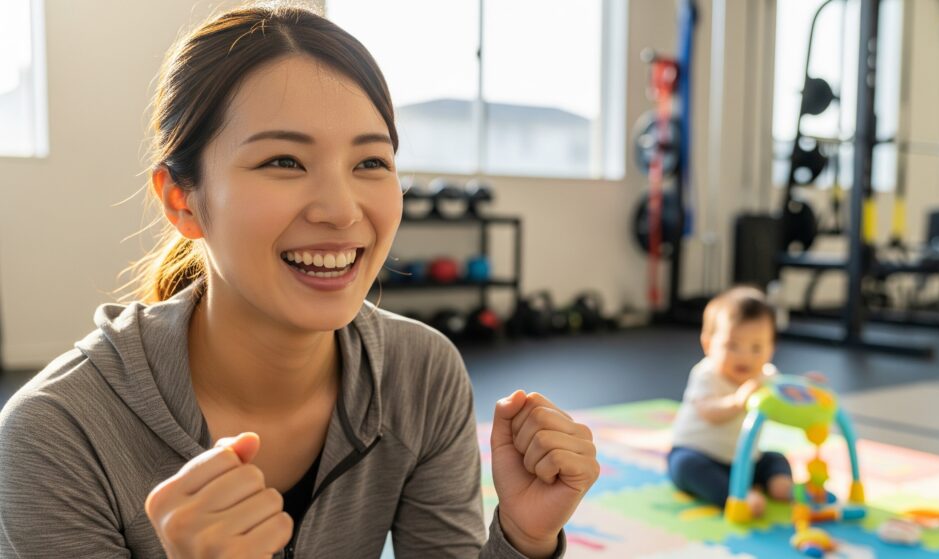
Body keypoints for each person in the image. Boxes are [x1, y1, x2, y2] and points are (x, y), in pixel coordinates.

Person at [0, 6, 599, 558]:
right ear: (181, 200)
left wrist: (525, 536)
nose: (341, 211)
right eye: (283, 161)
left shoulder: (420, 373)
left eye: (370, 162)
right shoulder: (56, 433)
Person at [666, 286, 793, 517]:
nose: (744, 356)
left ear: (771, 348)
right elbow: (708, 412)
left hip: (744, 461)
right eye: (732, 345)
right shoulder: (706, 374)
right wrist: (737, 401)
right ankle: (733, 497)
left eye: (756, 348)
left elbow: (787, 400)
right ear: (708, 344)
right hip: (700, 454)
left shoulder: (767, 376)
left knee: (775, 458)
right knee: (686, 467)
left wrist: (808, 387)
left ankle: (779, 484)